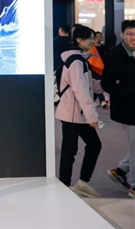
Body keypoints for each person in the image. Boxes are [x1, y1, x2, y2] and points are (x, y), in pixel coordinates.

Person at [55, 25, 102, 197]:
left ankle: (81, 183)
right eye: (90, 38)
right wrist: (92, 116)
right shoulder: (76, 61)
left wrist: (106, 85)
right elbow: (80, 90)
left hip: (78, 113)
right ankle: (65, 187)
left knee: (92, 145)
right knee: (70, 151)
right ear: (79, 40)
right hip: (72, 113)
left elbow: (87, 85)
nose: (93, 41)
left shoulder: (80, 59)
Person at [102, 20, 135, 199]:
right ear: (122, 35)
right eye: (129, 34)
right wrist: (129, 92)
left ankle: (121, 170)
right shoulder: (116, 55)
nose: (133, 38)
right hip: (127, 109)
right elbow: (107, 84)